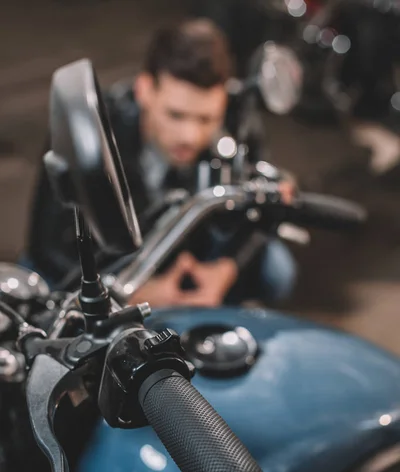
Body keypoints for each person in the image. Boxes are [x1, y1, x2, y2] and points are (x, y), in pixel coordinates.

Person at [26, 19, 296, 307]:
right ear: (144, 90)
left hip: (190, 251)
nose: (190, 137)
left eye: (206, 119)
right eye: (176, 115)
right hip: (110, 262)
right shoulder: (91, 131)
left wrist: (225, 271)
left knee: (277, 271)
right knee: (31, 290)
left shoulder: (238, 121)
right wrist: (136, 294)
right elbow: (47, 244)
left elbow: (258, 210)